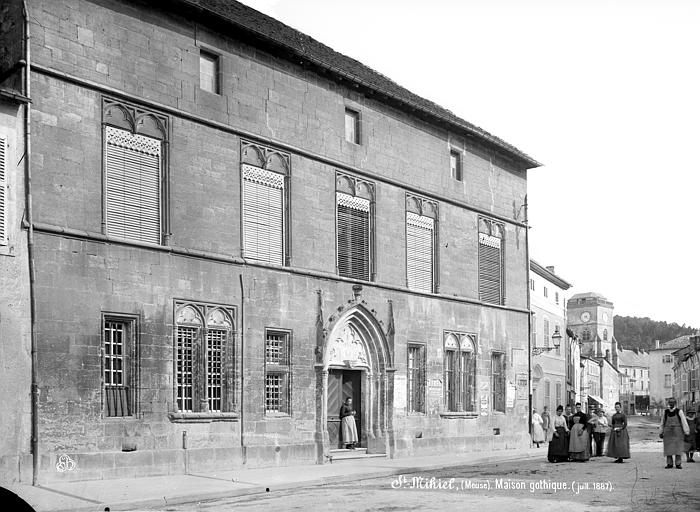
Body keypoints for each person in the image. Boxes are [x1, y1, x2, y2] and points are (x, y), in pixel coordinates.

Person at [660, 398, 689, 468]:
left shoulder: (679, 411)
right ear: (668, 403)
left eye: (672, 402)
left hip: (677, 432)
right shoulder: (665, 412)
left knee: (678, 448)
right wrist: (661, 432)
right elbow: (662, 422)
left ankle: (678, 463)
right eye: (670, 402)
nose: (671, 404)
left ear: (675, 403)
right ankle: (669, 463)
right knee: (668, 448)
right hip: (667, 432)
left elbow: (684, 421)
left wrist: (686, 431)